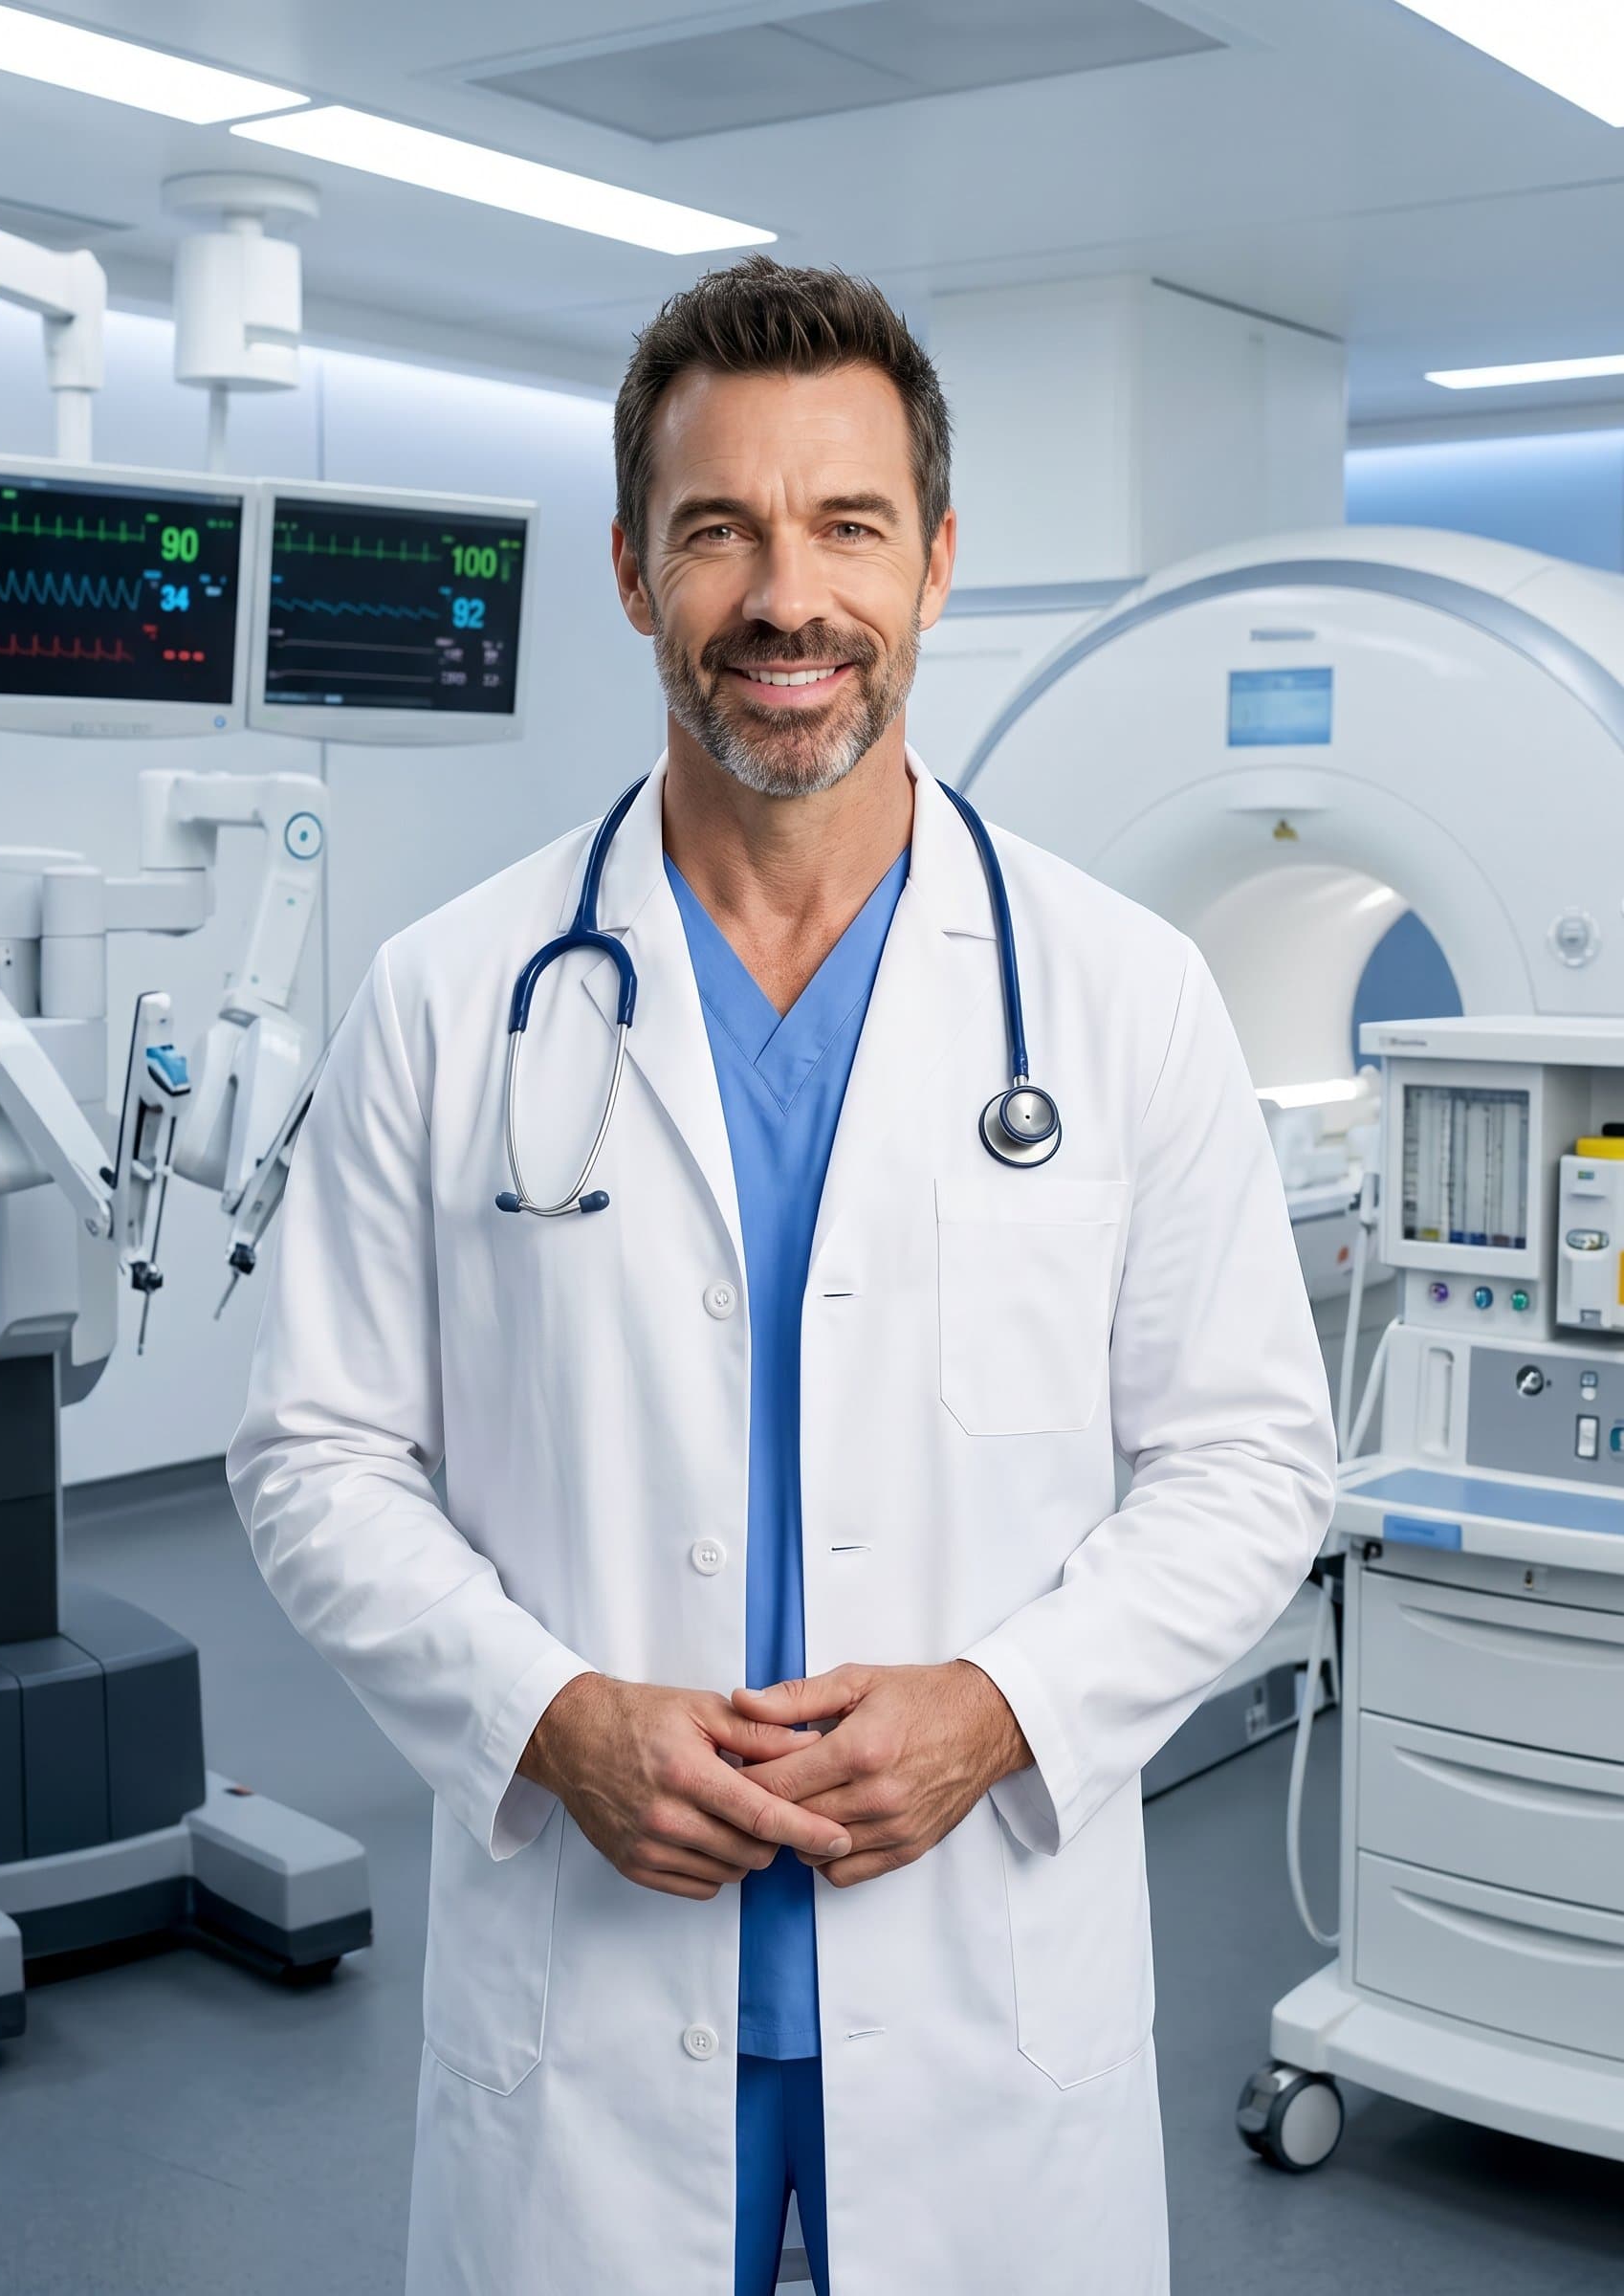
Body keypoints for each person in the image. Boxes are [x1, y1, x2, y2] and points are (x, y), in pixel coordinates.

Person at [228, 254, 1337, 2296]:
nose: (783, 599)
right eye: (716, 528)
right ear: (636, 577)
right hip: (591, 2005)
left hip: (980, 1990)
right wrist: (544, 1713)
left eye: (843, 526)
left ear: (932, 566)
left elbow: (1249, 1463)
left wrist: (1002, 1710)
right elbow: (313, 1454)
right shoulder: (453, 996)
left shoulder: (1116, 995)